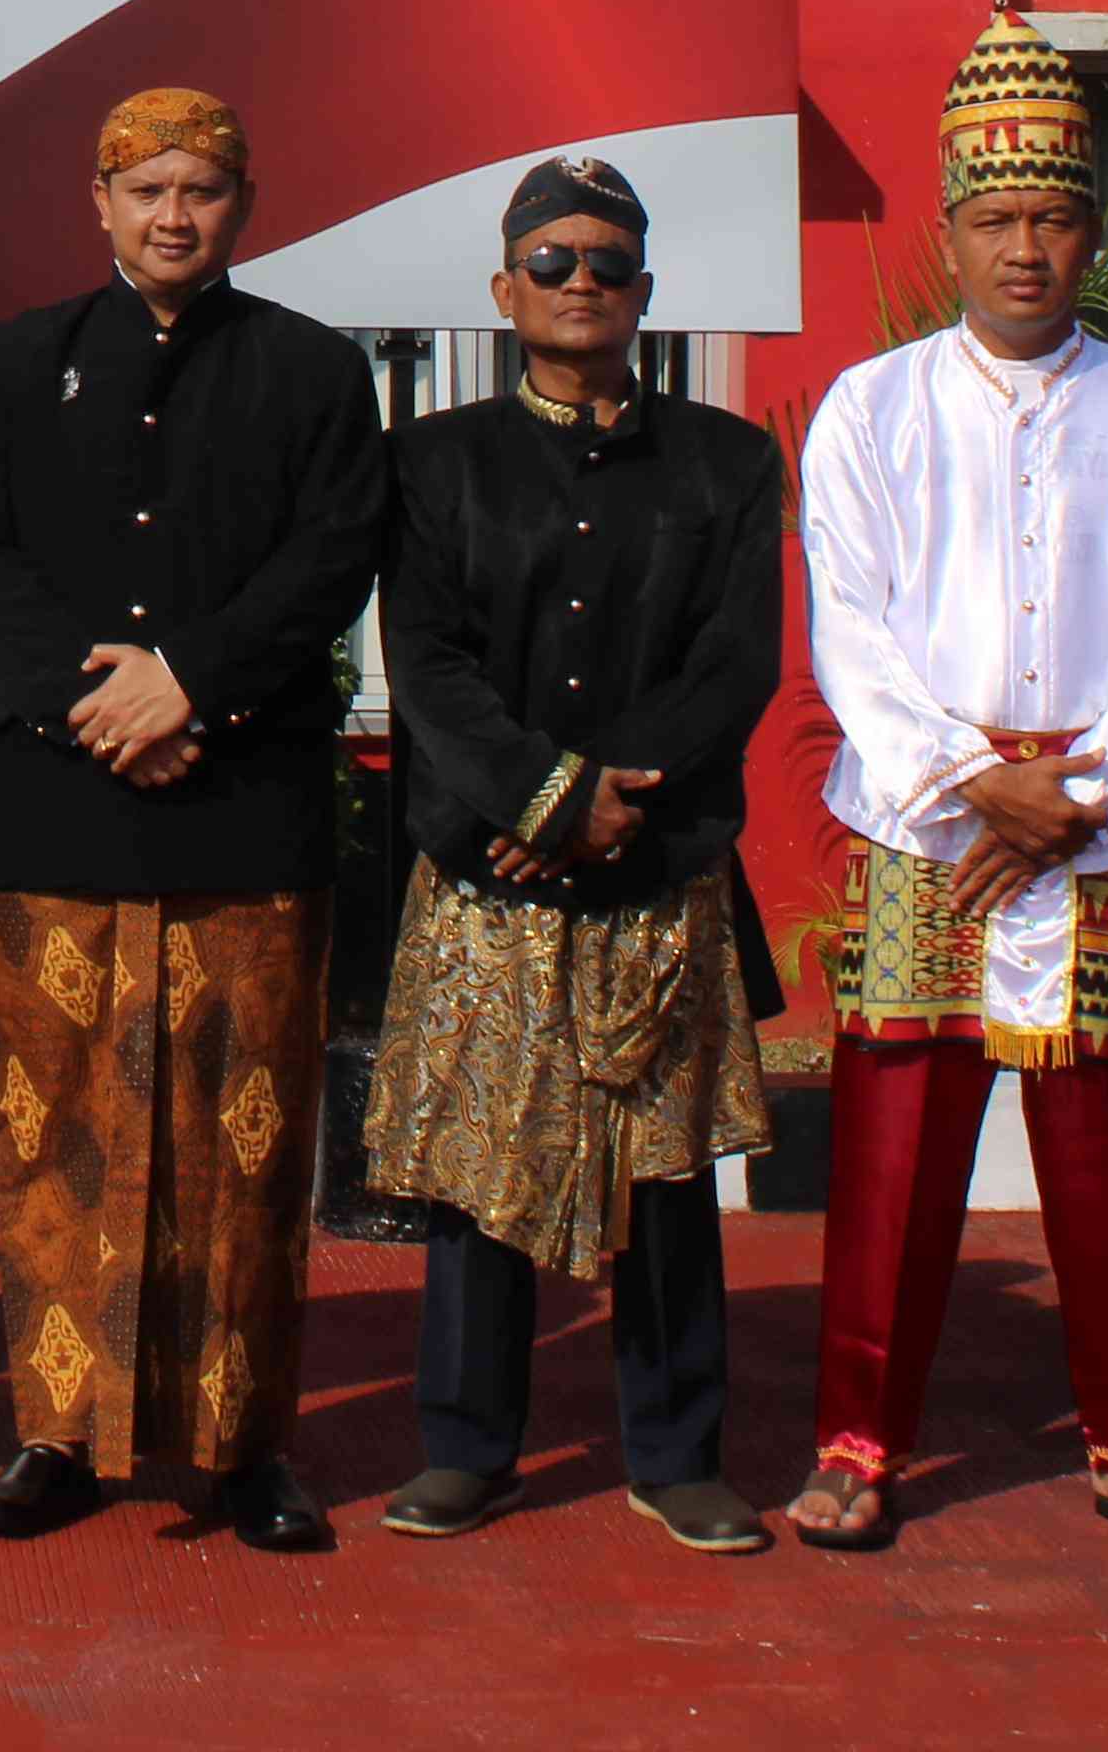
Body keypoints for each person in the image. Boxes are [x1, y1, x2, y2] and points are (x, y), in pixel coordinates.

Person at [785, 22, 1108, 1561]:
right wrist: (977, 787)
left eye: (1052, 219)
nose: (1025, 248)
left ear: (1091, 231)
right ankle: (858, 1442)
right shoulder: (873, 407)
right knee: (895, 1144)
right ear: (953, 229)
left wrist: (1082, 801)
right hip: (927, 827)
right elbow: (849, 623)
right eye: (996, 221)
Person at [0, 84, 388, 1554]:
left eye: (201, 190)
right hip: (64, 806)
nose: (174, 215)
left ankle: (246, 1450)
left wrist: (192, 684)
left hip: (244, 805)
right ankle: (54, 1436)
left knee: (244, 1137)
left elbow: (332, 561)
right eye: (147, 190)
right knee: (55, 1134)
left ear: (242, 207)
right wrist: (105, 704)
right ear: (101, 202)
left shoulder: (312, 371)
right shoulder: (18, 361)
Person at [360, 156, 782, 1551]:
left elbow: (735, 663)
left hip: (654, 867)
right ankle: (466, 1448)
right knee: (482, 1171)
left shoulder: (725, 461)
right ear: (504, 290)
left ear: (647, 291)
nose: (581, 282)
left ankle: (679, 1449)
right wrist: (540, 799)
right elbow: (425, 660)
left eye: (607, 261)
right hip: (491, 866)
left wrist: (609, 806)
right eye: (553, 261)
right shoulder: (430, 460)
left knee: (661, 1176)